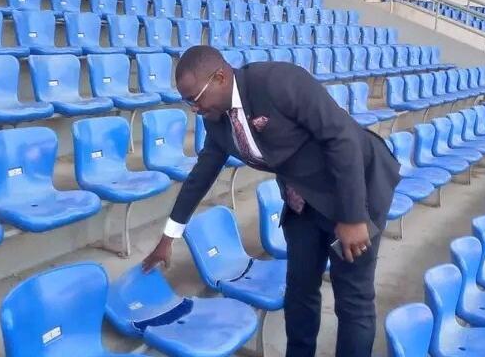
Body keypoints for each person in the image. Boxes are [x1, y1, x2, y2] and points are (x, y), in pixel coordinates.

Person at [141, 46, 401, 357]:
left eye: (194, 98)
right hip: (302, 200)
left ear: (220, 76)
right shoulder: (217, 120)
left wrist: (353, 217)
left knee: (352, 300)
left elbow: (341, 137)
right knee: (300, 291)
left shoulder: (278, 81)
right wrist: (169, 236)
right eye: (187, 102)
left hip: (354, 187)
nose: (193, 109)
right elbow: (201, 174)